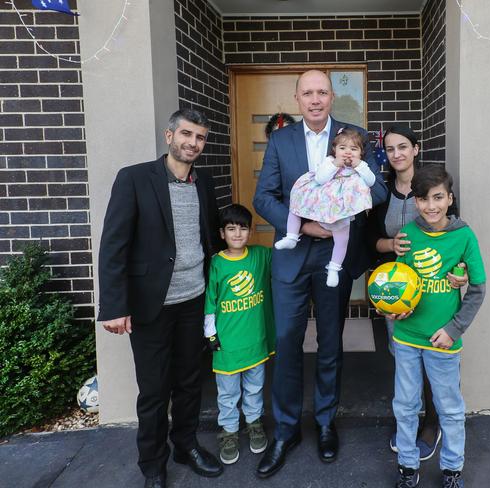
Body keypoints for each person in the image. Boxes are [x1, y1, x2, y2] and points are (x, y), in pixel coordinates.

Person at [253, 69, 388, 478]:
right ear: (297, 98)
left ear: (332, 98)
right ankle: (287, 429)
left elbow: (379, 191)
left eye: (322, 93)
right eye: (307, 93)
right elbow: (264, 197)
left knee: (331, 341)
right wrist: (307, 225)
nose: (315, 100)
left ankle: (327, 422)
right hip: (293, 258)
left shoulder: (355, 136)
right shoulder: (280, 140)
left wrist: (349, 205)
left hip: (336, 255)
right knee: (287, 340)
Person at [98, 109, 223, 488]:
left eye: (200, 137)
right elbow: (113, 245)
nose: (193, 143)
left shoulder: (204, 182)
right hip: (150, 305)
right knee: (154, 390)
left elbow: (210, 238)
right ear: (169, 136)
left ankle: (185, 444)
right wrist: (115, 306)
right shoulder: (135, 178)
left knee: (189, 381)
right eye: (186, 134)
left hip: (193, 300)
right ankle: (153, 464)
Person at [367, 125, 468, 461]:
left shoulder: (434, 188)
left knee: (435, 361)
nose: (397, 154)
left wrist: (460, 273)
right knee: (405, 360)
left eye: (403, 147)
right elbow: (370, 242)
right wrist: (390, 243)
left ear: (416, 148)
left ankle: (432, 423)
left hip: (435, 294)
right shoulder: (380, 194)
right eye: (391, 148)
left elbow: (455, 239)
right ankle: (409, 422)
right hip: (397, 292)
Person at [389, 165, 486, 488]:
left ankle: (452, 469)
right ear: (415, 202)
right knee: (404, 405)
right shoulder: (407, 235)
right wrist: (395, 310)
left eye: (438, 198)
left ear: (449, 198)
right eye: (424, 199)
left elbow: (477, 289)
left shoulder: (464, 236)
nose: (431, 206)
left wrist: (454, 328)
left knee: (450, 408)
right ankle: (407, 466)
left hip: (443, 340)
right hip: (406, 337)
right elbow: (399, 284)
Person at [203, 204, 275, 466]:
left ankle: (254, 423)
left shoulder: (259, 255)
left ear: (250, 231)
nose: (237, 234)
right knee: (228, 392)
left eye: (242, 228)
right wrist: (210, 333)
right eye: (231, 229)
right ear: (222, 233)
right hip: (227, 344)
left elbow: (286, 252)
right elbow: (210, 299)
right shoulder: (217, 263)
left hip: (254, 340)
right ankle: (229, 431)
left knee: (255, 387)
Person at [275, 127, 376, 287]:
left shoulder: (360, 166)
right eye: (343, 148)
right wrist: (336, 163)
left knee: (342, 240)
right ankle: (291, 236)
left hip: (340, 210)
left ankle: (334, 268)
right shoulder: (329, 161)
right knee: (296, 206)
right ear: (334, 150)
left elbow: (371, 181)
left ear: (361, 152)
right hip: (319, 205)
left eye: (354, 149)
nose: (348, 152)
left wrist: (359, 166)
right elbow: (321, 178)